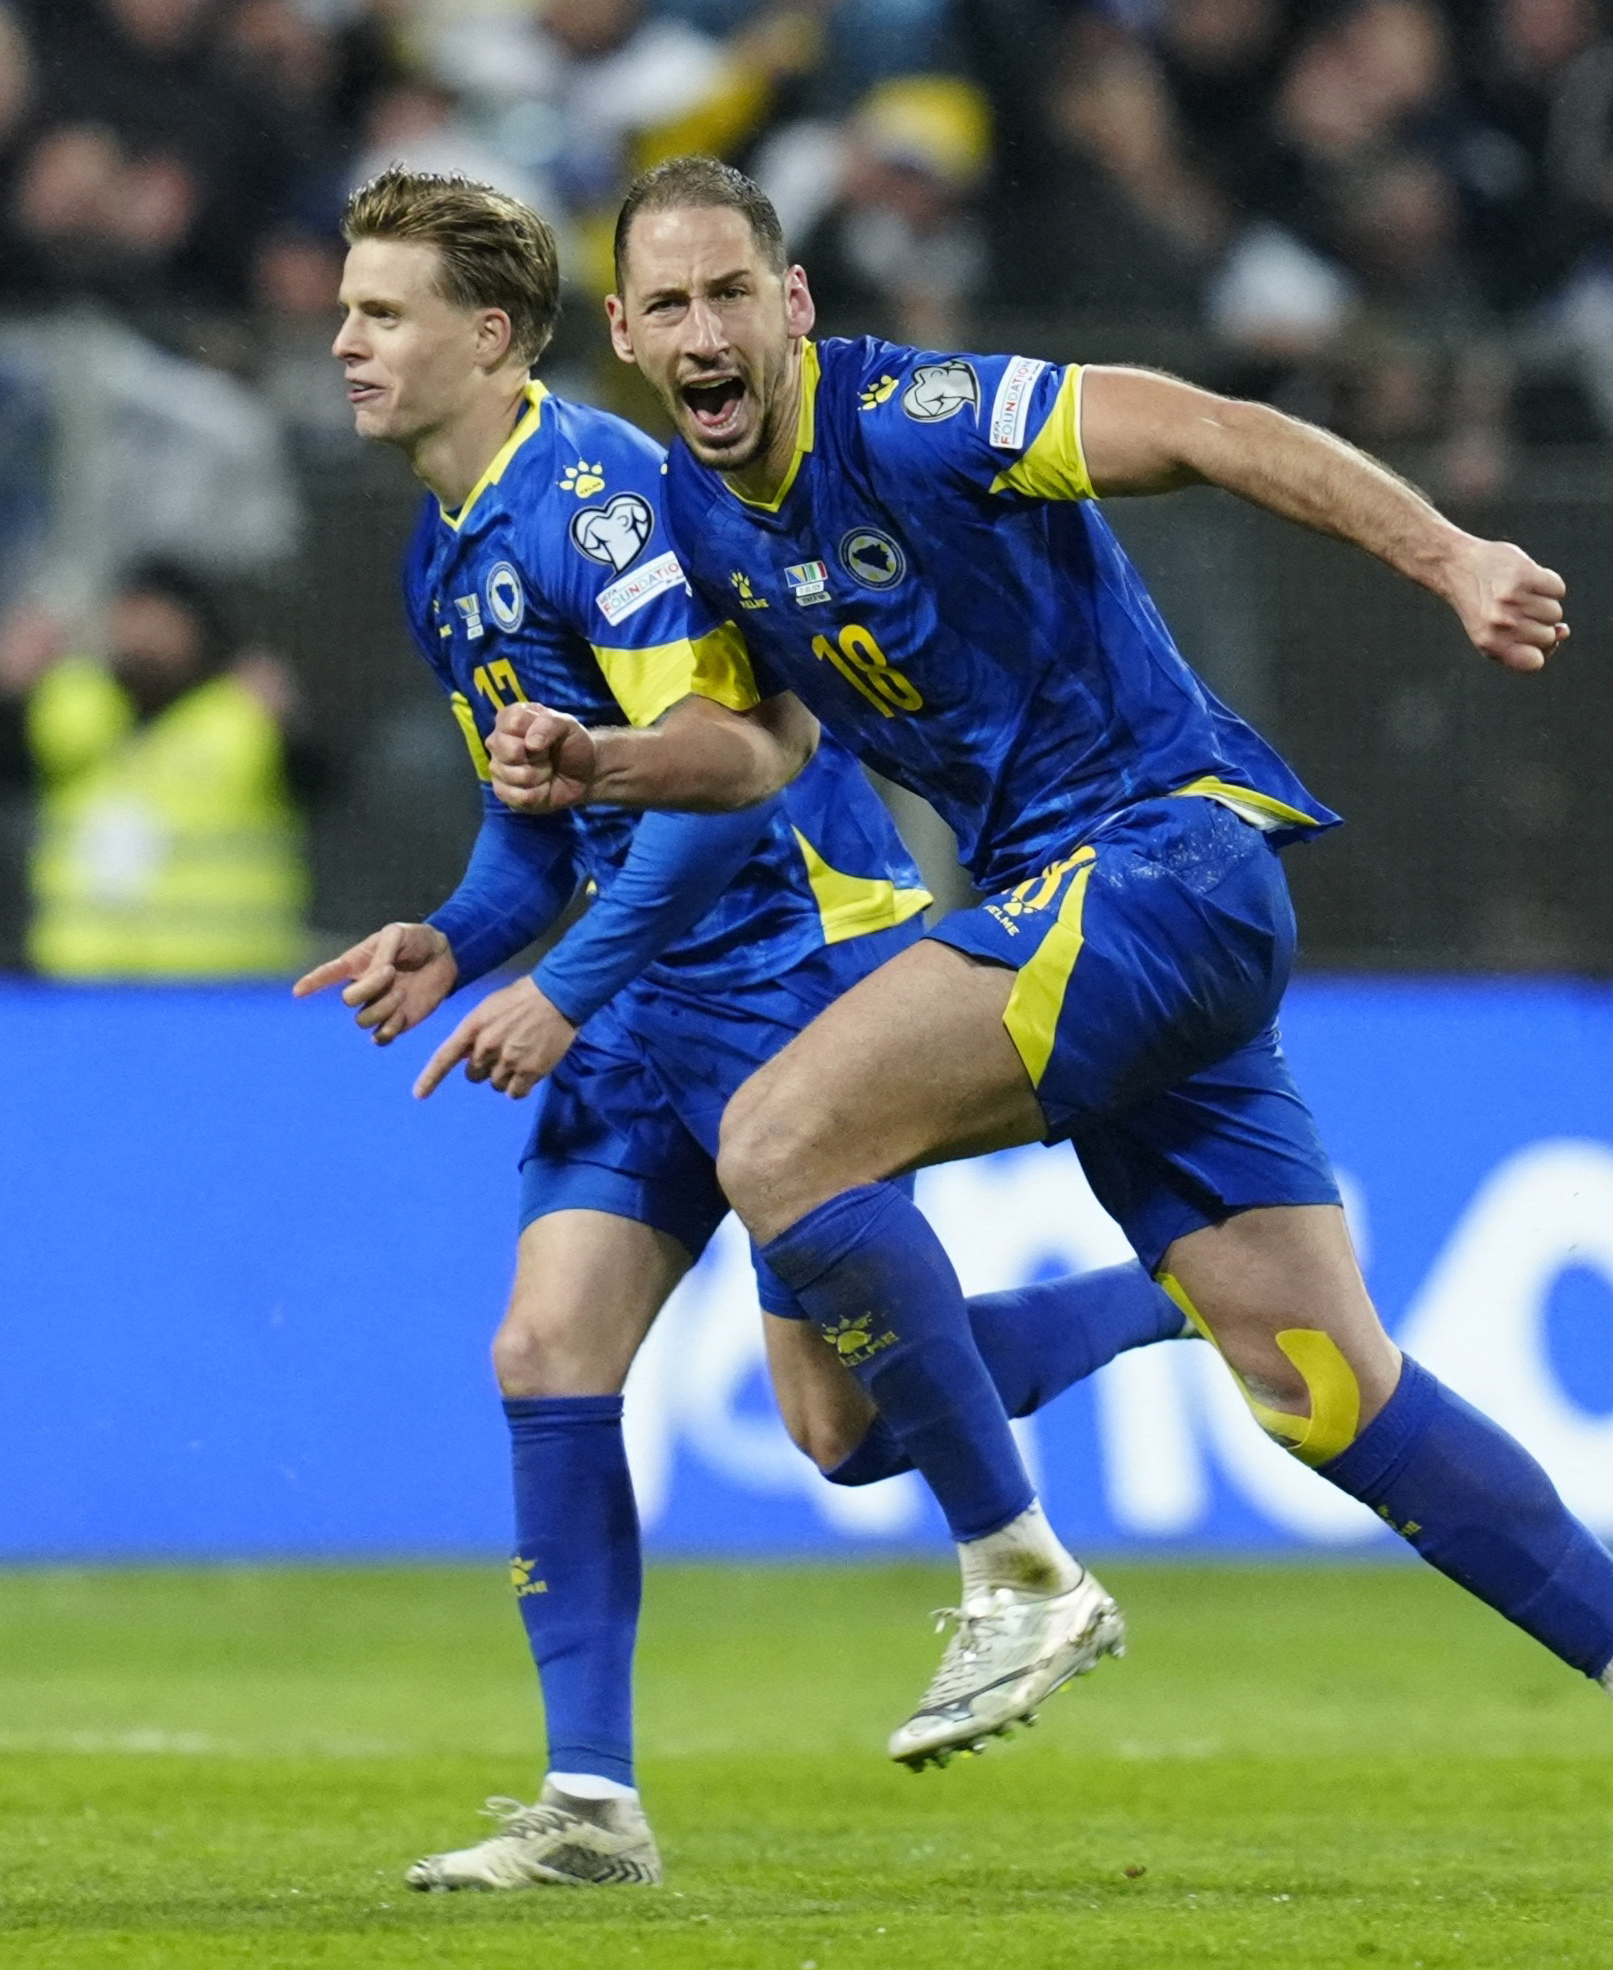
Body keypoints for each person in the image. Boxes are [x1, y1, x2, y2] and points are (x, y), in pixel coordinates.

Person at [487, 155, 1613, 1913]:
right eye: (668, 304)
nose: (706, 328)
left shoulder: (920, 415)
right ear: (633, 338)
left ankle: (1018, 1572)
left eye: (735, 290)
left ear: (791, 304)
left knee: (784, 1136)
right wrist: (606, 762)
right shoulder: (710, 518)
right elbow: (769, 752)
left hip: (1160, 859)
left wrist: (1449, 554)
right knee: (1314, 1384)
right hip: (1096, 927)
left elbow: (1202, 424)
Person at [302, 168, 1194, 1891]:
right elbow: (548, 819)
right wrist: (458, 933)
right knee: (542, 1351)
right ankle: (590, 1809)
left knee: (841, 1432)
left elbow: (722, 793)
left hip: (789, 959)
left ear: (491, 340)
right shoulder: (453, 546)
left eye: (381, 312)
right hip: (644, 988)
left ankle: (1161, 1303)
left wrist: (555, 986)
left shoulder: (604, 511)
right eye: (347, 309)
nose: (344, 340)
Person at [0, 559, 317, 980]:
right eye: (132, 618)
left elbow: (323, 788)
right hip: (82, 981)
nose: (144, 639)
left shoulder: (244, 713)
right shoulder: (68, 705)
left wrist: (290, 727)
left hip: (226, 983)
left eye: (161, 623)